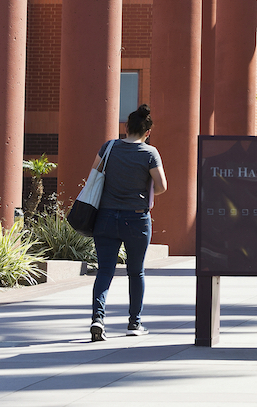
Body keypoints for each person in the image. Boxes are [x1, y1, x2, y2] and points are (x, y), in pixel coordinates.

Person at [89, 104, 168, 342]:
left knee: (105, 271)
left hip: (105, 217)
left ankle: (98, 319)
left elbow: (94, 174)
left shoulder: (109, 147)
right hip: (136, 218)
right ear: (148, 132)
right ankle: (134, 323)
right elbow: (162, 186)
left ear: (126, 127)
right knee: (136, 271)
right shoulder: (150, 153)